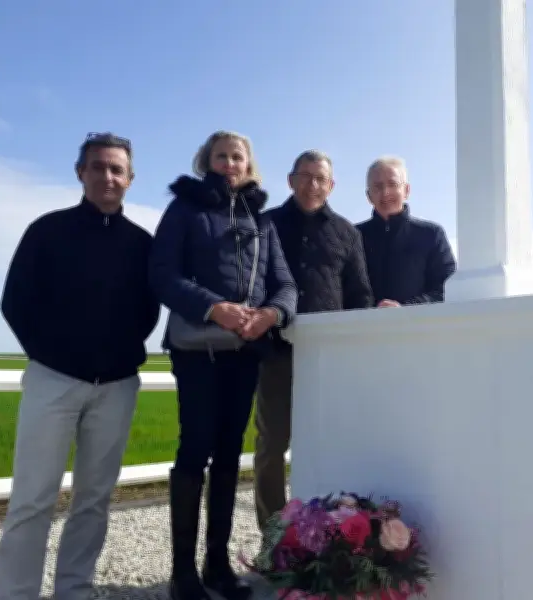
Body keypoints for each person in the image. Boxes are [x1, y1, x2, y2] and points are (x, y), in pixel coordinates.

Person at [0, 132, 161, 600]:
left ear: (130, 178)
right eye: (98, 167)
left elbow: (148, 312)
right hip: (53, 380)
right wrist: (55, 355)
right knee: (32, 498)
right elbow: (16, 302)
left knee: (93, 499)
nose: (108, 177)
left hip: (117, 385)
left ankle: (74, 588)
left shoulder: (142, 244)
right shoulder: (47, 231)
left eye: (117, 169)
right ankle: (15, 593)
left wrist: (116, 353)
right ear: (80, 172)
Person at [149, 130, 297, 600]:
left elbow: (285, 284)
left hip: (245, 353)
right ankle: (182, 574)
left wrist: (272, 314)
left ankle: (217, 566)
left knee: (231, 455)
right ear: (206, 162)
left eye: (238, 156)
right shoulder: (185, 210)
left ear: (249, 164)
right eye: (221, 156)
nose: (230, 163)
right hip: (197, 352)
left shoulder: (262, 220)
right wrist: (215, 307)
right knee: (194, 449)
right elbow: (161, 274)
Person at [254, 150, 373, 529]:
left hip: (328, 360)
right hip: (274, 352)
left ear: (332, 185)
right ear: (290, 180)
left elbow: (360, 296)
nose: (313, 184)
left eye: (321, 178)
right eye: (305, 176)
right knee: (272, 447)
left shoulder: (346, 233)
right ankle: (274, 539)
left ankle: (326, 536)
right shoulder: (264, 224)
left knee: (329, 445)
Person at [356, 156, 457, 306]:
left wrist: (405, 308)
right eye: (378, 186)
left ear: (406, 190)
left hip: (418, 326)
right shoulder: (352, 237)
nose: (385, 192)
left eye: (392, 184)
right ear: (369, 195)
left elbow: (447, 288)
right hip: (361, 327)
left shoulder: (431, 234)